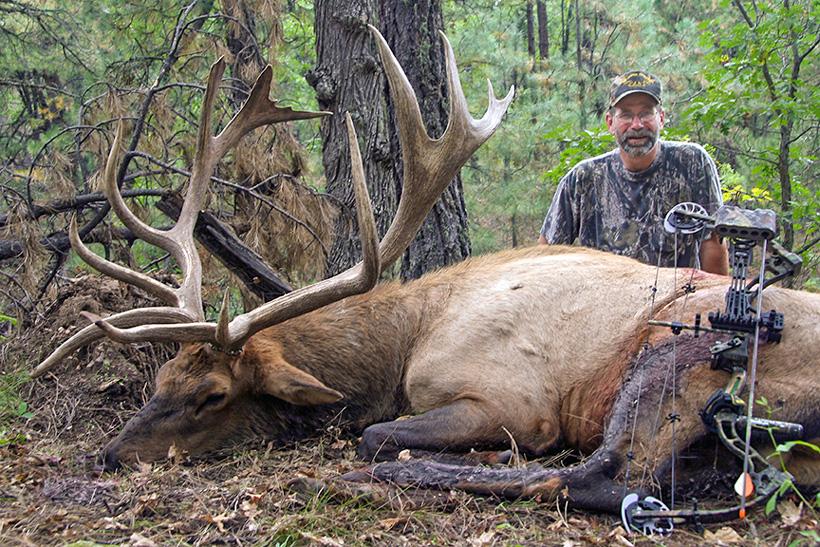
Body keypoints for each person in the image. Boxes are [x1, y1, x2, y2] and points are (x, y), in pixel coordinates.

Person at [538, 70, 729, 275]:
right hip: (605, 300)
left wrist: (716, 301)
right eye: (626, 115)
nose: (636, 125)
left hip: (677, 301)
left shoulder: (692, 163)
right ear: (610, 122)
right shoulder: (582, 178)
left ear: (661, 118)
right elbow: (546, 256)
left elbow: (713, 244)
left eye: (646, 113)